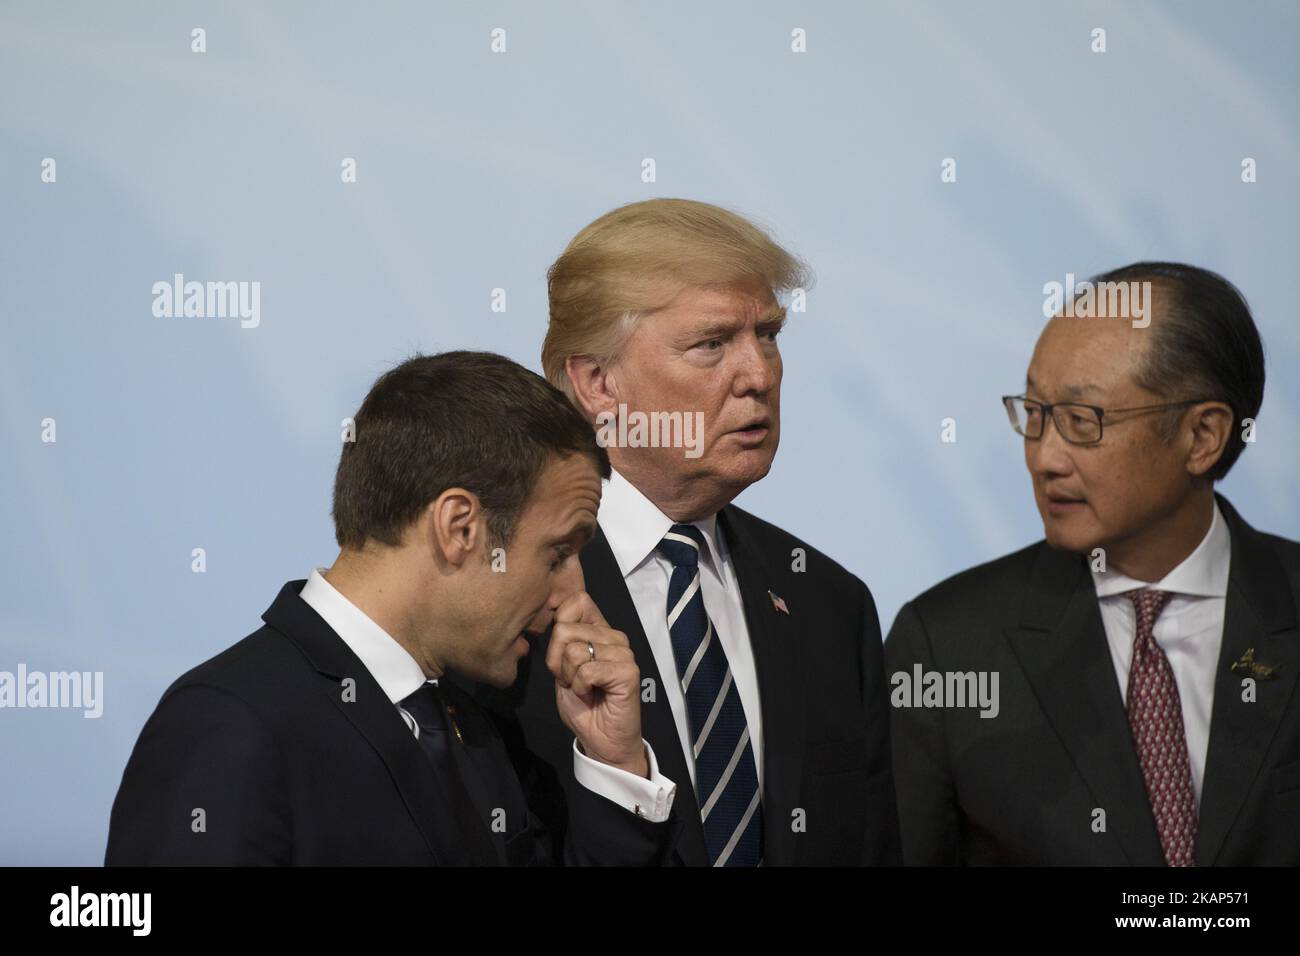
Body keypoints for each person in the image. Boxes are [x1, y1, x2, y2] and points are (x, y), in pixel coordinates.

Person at [106, 351, 680, 865]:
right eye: (558, 553)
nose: (572, 598)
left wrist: (615, 762)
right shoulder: (230, 725)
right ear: (460, 527)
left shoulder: (470, 726)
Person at [481, 198, 900, 866]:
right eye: (712, 344)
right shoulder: (502, 602)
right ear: (597, 383)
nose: (759, 375)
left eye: (768, 335)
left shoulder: (829, 602)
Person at [886, 262, 1300, 865]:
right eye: (1033, 413)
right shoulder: (946, 645)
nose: (1044, 458)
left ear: (1203, 436)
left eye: (1082, 422)